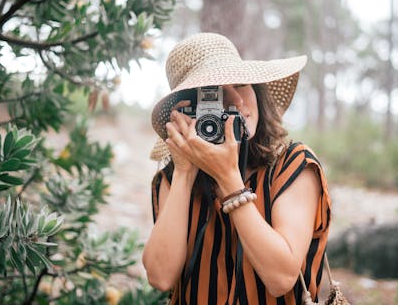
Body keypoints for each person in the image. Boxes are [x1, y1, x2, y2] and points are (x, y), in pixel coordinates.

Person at [142, 33, 331, 304]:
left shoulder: (293, 165)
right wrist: (185, 173)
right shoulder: (171, 178)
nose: (238, 102)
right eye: (217, 92)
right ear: (189, 109)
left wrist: (228, 179)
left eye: (242, 85)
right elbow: (160, 277)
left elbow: (281, 278)